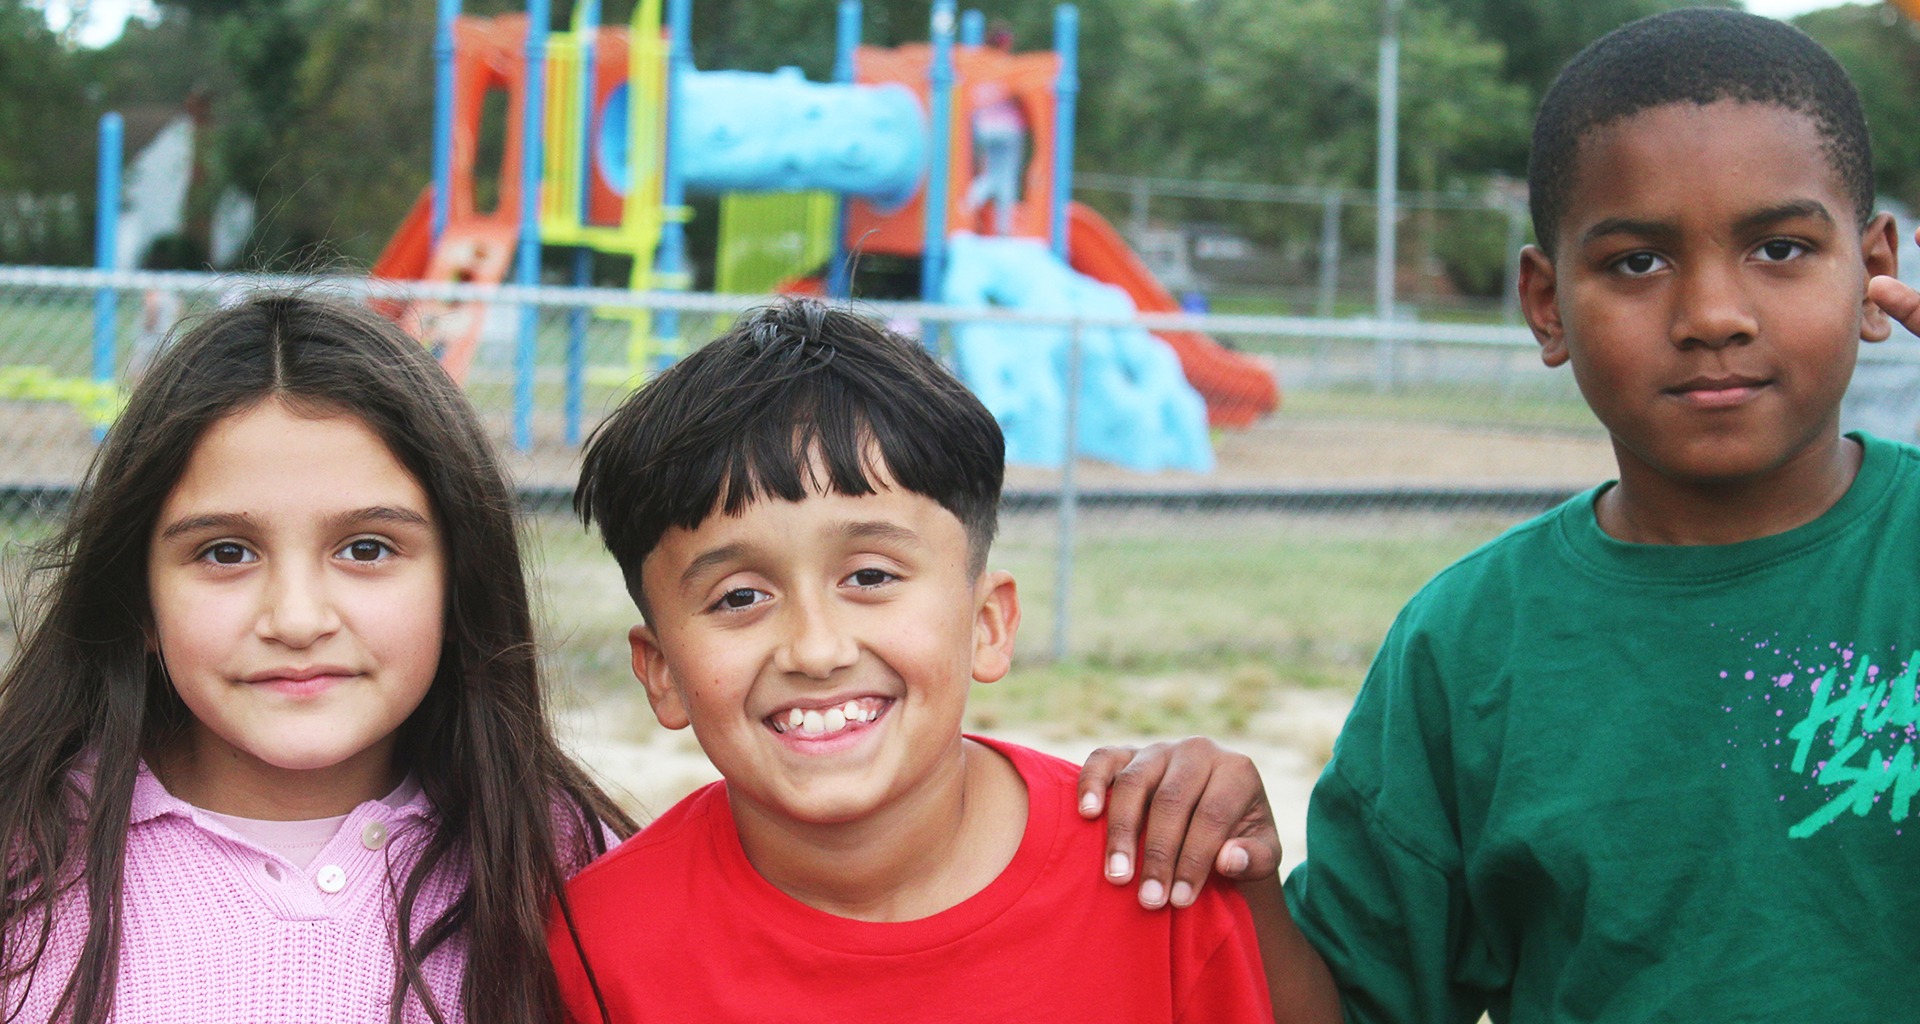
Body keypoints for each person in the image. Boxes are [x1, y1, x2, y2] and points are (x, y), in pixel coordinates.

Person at [1281, 9, 1920, 1021]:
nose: (1713, 315)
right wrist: (1224, 857)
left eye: (1780, 247)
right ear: (1546, 304)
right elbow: (1355, 998)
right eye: (1637, 263)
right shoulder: (1469, 645)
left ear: (1876, 270)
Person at [550, 299, 1340, 1022]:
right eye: (740, 596)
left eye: (870, 577)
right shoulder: (594, 953)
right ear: (661, 671)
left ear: (987, 624)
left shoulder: (1156, 875)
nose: (816, 649)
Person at [0, 294, 636, 1022]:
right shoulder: (23, 858)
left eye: (366, 549)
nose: (297, 621)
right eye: (226, 553)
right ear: (138, 599)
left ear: (461, 585)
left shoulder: (573, 867)